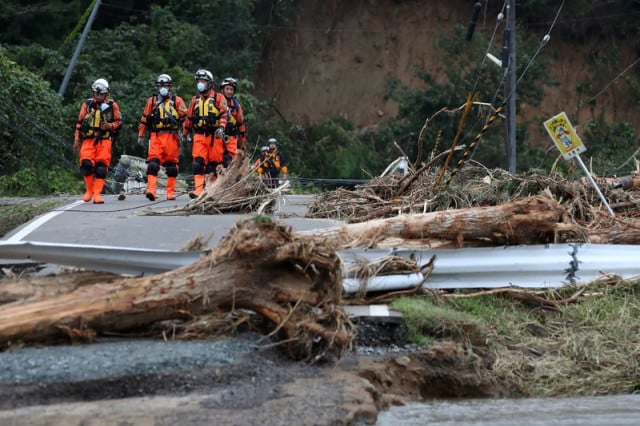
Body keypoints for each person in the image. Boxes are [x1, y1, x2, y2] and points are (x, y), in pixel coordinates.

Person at [137, 74, 188, 201]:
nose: (163, 88)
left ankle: (170, 192)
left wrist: (185, 134)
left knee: (171, 167)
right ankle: (151, 191)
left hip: (172, 137)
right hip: (156, 136)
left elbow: (185, 119)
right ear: (157, 87)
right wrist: (141, 135)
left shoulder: (177, 101)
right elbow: (144, 119)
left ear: (170, 87)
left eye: (165, 85)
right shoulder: (152, 101)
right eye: (160, 86)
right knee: (153, 164)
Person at [74, 78, 122, 204]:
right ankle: (89, 191)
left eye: (101, 94)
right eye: (97, 94)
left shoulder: (112, 105)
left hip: (105, 140)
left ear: (106, 94)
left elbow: (119, 122)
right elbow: (79, 123)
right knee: (86, 164)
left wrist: (110, 126)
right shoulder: (87, 105)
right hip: (89, 140)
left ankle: (97, 194)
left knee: (101, 168)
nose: (99, 96)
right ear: (93, 93)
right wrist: (76, 140)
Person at [182, 69, 229, 198]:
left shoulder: (219, 98)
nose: (200, 84)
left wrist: (221, 127)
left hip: (215, 135)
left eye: (203, 81)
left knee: (214, 165)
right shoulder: (195, 100)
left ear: (209, 83)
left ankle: (213, 191)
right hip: (199, 135)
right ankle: (198, 190)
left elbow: (224, 114)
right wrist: (185, 133)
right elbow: (189, 118)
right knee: (197, 163)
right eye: (198, 81)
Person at [219, 77, 247, 167]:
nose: (229, 91)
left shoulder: (236, 105)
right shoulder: (216, 101)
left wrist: (242, 142)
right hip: (217, 136)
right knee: (216, 160)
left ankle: (230, 180)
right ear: (222, 90)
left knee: (229, 162)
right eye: (227, 89)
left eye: (231, 89)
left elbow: (241, 124)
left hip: (231, 137)